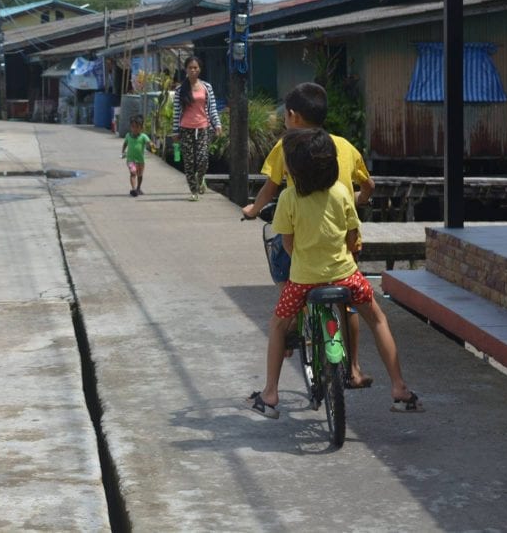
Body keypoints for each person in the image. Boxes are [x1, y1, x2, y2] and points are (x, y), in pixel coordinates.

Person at [246, 128, 422, 419]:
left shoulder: (289, 199)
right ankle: (400, 388)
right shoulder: (342, 193)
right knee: (377, 318)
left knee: (278, 326)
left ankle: (270, 394)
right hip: (346, 276)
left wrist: (306, 263)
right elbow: (353, 238)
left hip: (303, 281)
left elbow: (288, 244)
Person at [242, 82, 376, 388]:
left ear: (293, 116)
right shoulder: (344, 145)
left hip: (304, 248)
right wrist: (358, 200)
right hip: (342, 245)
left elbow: (270, 188)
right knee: (351, 303)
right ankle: (354, 367)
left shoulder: (286, 147)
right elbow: (368, 186)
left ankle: (290, 329)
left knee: (285, 271)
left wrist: (253, 209)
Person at [171, 56, 222, 201]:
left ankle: (200, 179)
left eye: (195, 68)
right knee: (189, 162)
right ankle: (194, 191)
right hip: (185, 129)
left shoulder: (207, 87)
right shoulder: (180, 90)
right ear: (186, 70)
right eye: (190, 68)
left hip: (203, 128)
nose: (193, 70)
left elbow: (212, 109)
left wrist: (217, 124)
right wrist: (175, 131)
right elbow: (176, 111)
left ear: (199, 69)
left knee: (202, 159)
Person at [121, 114, 153, 197]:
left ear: (141, 128)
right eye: (133, 127)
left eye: (137, 127)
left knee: (140, 175)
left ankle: (138, 188)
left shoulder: (143, 136)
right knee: (133, 173)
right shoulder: (128, 136)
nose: (134, 129)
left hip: (140, 160)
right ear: (130, 127)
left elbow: (149, 143)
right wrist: (123, 151)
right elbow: (125, 143)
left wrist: (152, 145)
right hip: (130, 160)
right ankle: (134, 189)